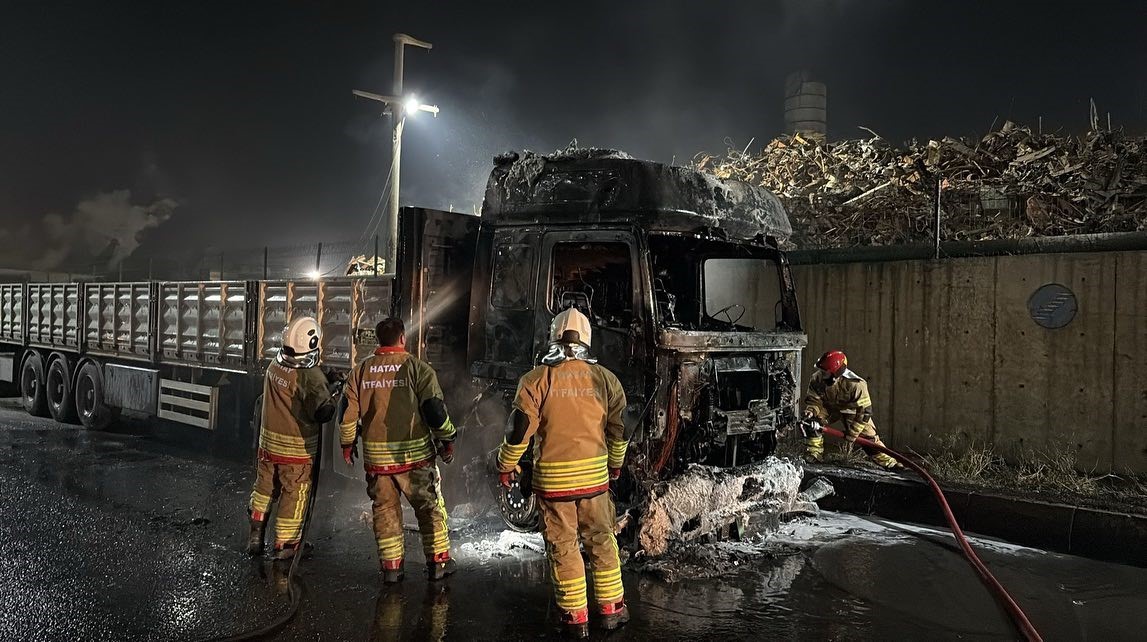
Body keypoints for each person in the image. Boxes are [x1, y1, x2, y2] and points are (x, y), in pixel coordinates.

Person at [497, 308, 629, 638]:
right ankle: (612, 610)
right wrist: (615, 465)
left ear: (554, 337)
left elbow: (519, 430)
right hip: (595, 483)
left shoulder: (536, 379)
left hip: (554, 485)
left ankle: (575, 618)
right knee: (601, 541)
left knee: (564, 547)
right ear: (586, 339)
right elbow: (619, 430)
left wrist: (506, 465)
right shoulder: (606, 379)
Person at [340, 317, 457, 582]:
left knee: (385, 511)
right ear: (403, 338)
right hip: (413, 459)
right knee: (428, 508)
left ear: (379, 340)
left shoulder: (360, 371)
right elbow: (435, 412)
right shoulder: (419, 369)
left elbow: (347, 415)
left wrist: (347, 445)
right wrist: (448, 438)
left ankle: (392, 569)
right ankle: (438, 563)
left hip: (377, 462)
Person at [247, 316, 337, 560]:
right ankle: (285, 546)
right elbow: (323, 412)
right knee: (294, 495)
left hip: (268, 447)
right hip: (295, 452)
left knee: (264, 488)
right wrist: (333, 392)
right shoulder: (310, 377)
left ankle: (255, 536)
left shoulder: (274, 366)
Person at [802, 349, 901, 469]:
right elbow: (814, 400)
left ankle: (890, 463)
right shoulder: (817, 378)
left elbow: (865, 411)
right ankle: (814, 454)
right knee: (812, 422)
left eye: (825, 373)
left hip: (853, 412)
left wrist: (853, 433)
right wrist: (811, 410)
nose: (821, 375)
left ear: (836, 373)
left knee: (868, 439)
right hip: (830, 408)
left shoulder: (857, 385)